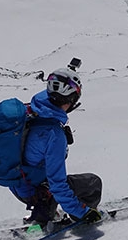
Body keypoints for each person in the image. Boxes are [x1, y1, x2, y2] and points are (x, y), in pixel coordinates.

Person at [12, 66, 103, 228]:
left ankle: (47, 210)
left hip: (20, 184)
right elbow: (58, 184)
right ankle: (79, 216)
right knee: (93, 183)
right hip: (37, 191)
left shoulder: (33, 111)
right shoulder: (53, 135)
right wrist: (82, 212)